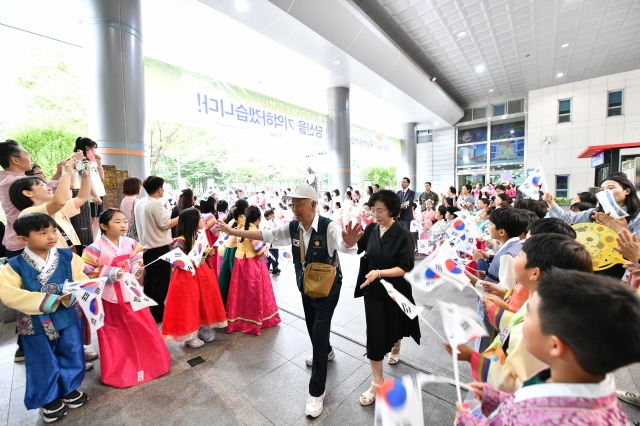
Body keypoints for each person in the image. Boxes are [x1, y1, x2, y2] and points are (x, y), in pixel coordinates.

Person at [216, 184, 362, 418]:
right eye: (291, 204)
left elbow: (345, 246)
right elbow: (266, 235)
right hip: (305, 286)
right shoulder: (293, 227)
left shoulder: (329, 226)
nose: (294, 208)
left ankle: (316, 392)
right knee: (312, 326)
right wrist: (236, 233)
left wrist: (350, 242)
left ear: (313, 204)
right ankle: (326, 351)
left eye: (299, 204)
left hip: (328, 289)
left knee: (319, 330)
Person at [456, 268, 640, 425]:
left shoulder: (536, 418)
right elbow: (529, 398)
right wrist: (496, 399)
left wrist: (469, 421)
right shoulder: (581, 385)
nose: (519, 319)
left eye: (528, 314)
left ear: (554, 345)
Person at [0, 214, 89, 422]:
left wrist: (74, 292)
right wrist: (47, 301)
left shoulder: (69, 257)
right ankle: (48, 399)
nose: (51, 236)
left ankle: (69, 388)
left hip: (68, 315)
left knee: (72, 351)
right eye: (42, 233)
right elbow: (8, 293)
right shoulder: (13, 266)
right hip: (35, 323)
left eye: (53, 231)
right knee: (41, 361)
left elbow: (81, 278)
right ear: (23, 239)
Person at [81, 209, 171, 388]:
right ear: (104, 226)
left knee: (144, 326)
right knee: (115, 332)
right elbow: (86, 270)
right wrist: (109, 272)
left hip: (131, 291)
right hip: (109, 296)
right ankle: (121, 367)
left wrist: (137, 267)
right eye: (117, 222)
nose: (123, 225)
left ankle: (152, 362)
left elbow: (137, 259)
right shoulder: (94, 248)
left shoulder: (131, 243)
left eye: (124, 221)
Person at [355, 190, 420, 406]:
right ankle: (377, 381)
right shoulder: (372, 228)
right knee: (374, 332)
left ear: (391, 210)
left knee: (394, 327)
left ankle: (396, 346)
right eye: (372, 210)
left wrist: (380, 272)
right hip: (373, 288)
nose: (375, 214)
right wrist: (348, 240)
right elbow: (357, 247)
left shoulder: (403, 235)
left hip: (395, 288)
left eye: (379, 210)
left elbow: (405, 267)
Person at [543, 174, 640, 278]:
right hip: (596, 264)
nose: (606, 192)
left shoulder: (637, 216)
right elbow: (567, 218)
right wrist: (550, 202)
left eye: (611, 188)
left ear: (627, 191)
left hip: (626, 267)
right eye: (602, 189)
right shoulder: (594, 213)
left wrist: (621, 231)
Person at [162, 207, 227, 347]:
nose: (203, 220)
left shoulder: (198, 236)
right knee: (189, 305)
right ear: (193, 221)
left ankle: (203, 328)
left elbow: (201, 251)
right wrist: (194, 261)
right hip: (186, 277)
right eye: (200, 218)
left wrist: (207, 253)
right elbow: (176, 260)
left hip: (203, 275)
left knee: (204, 302)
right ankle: (190, 335)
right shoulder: (181, 240)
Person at [226, 206, 281, 335]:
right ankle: (254, 320)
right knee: (254, 293)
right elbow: (260, 251)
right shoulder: (253, 231)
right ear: (259, 218)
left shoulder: (241, 228)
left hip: (240, 263)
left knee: (239, 292)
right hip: (252, 265)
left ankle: (237, 318)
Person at [134, 176, 179, 322]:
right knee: (160, 283)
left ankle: (150, 311)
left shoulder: (140, 203)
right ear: (159, 189)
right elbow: (165, 224)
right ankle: (158, 313)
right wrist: (182, 217)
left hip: (146, 249)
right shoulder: (156, 204)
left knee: (149, 282)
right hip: (159, 248)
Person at [218, 199, 249, 306]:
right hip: (237, 251)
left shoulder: (232, 220)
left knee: (226, 277)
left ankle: (225, 302)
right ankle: (236, 305)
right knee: (236, 279)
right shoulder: (244, 222)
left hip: (228, 250)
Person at [74, 137, 106, 239]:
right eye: (93, 149)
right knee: (91, 219)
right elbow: (85, 180)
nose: (94, 151)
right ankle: (87, 240)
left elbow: (101, 177)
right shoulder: (81, 161)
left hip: (100, 192)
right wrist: (95, 196)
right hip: (90, 195)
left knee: (97, 218)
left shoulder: (92, 161)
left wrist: (99, 162)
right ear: (87, 148)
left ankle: (93, 240)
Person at [263, 209, 280, 275]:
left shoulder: (273, 222)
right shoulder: (269, 223)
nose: (272, 216)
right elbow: (270, 232)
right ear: (267, 217)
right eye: (270, 215)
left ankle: (268, 268)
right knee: (273, 257)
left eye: (273, 214)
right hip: (272, 244)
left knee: (270, 257)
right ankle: (275, 269)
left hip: (272, 243)